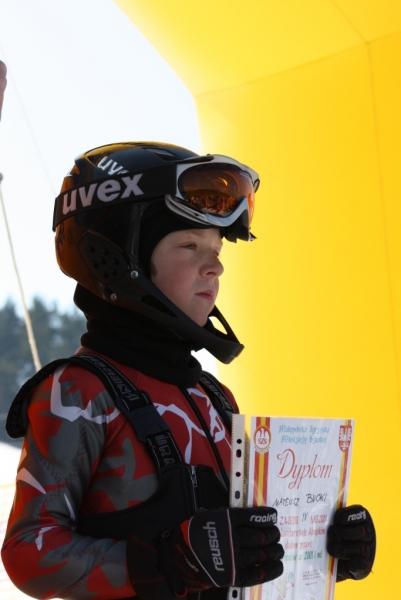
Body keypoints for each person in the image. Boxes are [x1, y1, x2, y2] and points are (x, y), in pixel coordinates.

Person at [1, 142, 375, 599]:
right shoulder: (78, 392)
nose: (215, 266)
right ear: (118, 259)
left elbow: (240, 545)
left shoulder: (213, 396)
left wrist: (320, 545)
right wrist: (164, 562)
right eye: (189, 245)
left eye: (217, 249)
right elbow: (27, 553)